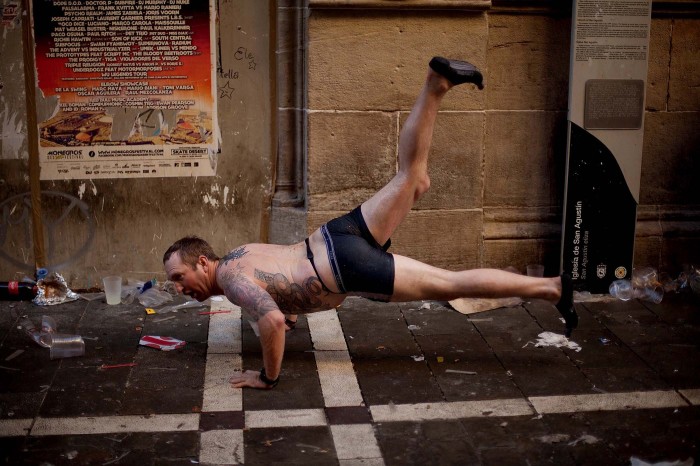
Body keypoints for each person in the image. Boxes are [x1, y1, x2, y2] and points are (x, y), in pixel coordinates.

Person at [163, 57, 577, 390]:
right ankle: (436, 84)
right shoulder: (240, 255)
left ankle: (552, 288)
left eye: (179, 276)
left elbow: (271, 320)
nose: (179, 288)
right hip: (336, 235)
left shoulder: (233, 282)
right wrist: (285, 314)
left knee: (451, 284)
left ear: (203, 262)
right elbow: (280, 291)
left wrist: (267, 377)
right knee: (412, 178)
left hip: (345, 266)